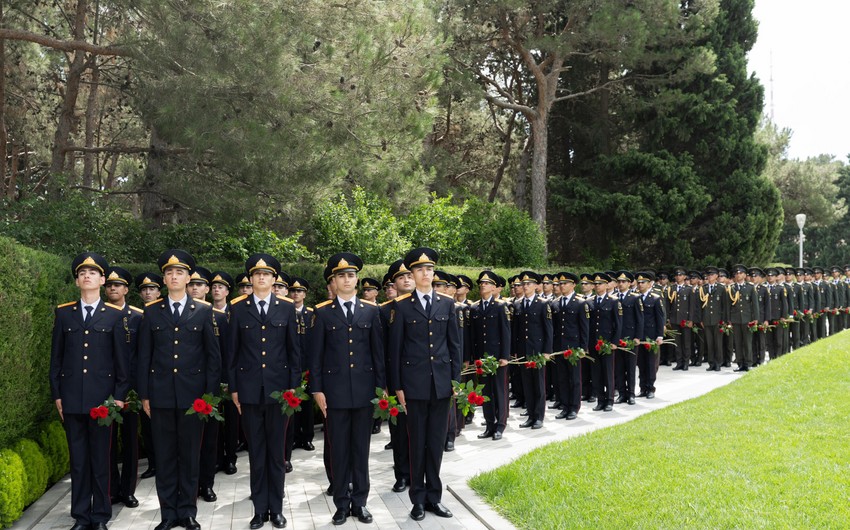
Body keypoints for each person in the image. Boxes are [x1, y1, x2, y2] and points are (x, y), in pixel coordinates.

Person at [138, 250, 221, 530]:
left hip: (193, 398)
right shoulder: (151, 311)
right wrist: (145, 395)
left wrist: (209, 397)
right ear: (164, 278)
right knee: (164, 456)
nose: (174, 277)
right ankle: (168, 514)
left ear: (188, 278)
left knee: (189, 456)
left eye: (180, 273)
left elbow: (213, 357)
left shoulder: (204, 310)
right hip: (160, 396)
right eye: (169, 273)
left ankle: (187, 511)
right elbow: (144, 357)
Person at [50, 252, 129, 530]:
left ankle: (101, 516)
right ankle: (81, 517)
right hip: (71, 399)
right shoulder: (64, 313)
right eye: (82, 273)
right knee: (79, 462)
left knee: (101, 461)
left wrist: (119, 396)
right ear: (77, 281)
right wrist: (57, 395)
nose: (87, 276)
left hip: (103, 400)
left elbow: (122, 362)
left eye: (93, 273)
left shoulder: (114, 316)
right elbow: (56, 359)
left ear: (103, 280)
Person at [310, 253, 384, 525]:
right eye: (341, 275)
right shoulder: (322, 312)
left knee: (360, 450)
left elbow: (378, 354)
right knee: (339, 451)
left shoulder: (371, 311)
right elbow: (315, 356)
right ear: (333, 281)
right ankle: (342, 503)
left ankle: (361, 502)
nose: (346, 279)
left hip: (364, 392)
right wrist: (317, 389)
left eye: (351, 275)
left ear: (357, 280)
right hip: (335, 394)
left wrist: (380, 389)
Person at [388, 247, 461, 521]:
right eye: (419, 269)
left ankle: (435, 498)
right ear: (412, 274)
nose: (425, 273)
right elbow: (395, 351)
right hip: (414, 386)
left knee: (436, 442)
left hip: (441, 384)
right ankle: (417, 499)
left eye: (429, 269)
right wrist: (398, 386)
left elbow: (455, 345)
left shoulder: (446, 304)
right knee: (417, 444)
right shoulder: (401, 306)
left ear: (433, 273)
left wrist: (455, 379)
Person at [228, 254, 300, 530]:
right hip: (248, 391)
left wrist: (292, 384)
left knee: (277, 453)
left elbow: (294, 350)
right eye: (256, 274)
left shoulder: (285, 307)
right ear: (250, 279)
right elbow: (232, 353)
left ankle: (277, 509)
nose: (261, 278)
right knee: (257, 453)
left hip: (279, 391)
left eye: (267, 274)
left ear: (273, 279)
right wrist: (234, 388)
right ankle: (260, 510)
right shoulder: (238, 308)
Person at [186, 266, 228, 504]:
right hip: (186, 386)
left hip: (211, 389)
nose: (195, 288)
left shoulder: (219, 317)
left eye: (200, 285)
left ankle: (207, 484)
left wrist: (221, 384)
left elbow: (223, 354)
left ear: (207, 289)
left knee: (210, 438)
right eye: (192, 284)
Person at [104, 266, 143, 509]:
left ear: (126, 289)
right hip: (104, 387)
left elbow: (142, 354)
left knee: (130, 441)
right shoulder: (99, 313)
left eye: (117, 285)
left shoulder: (138, 316)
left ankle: (128, 490)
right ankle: (111, 489)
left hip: (130, 388)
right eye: (109, 285)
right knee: (106, 442)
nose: (113, 288)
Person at [469, 271, 511, 437]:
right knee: (485, 392)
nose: (483, 285)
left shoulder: (501, 306)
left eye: (487, 283)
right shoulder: (475, 307)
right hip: (482, 358)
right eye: (481, 283)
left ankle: (500, 425)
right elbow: (473, 335)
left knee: (499, 390)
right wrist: (473, 357)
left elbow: (505, 333)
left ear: (494, 287)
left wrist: (505, 356)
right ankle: (489, 424)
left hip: (497, 357)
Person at [513, 271, 553, 429]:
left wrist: (547, 351)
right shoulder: (518, 304)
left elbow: (548, 330)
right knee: (527, 385)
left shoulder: (543, 304)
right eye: (523, 284)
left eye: (528, 284)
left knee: (538, 384)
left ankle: (539, 416)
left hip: (537, 351)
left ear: (536, 286)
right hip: (524, 350)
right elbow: (516, 330)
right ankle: (530, 415)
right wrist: (516, 350)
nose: (525, 286)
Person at [209, 271, 239, 475]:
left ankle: (230, 458)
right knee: (213, 420)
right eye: (214, 287)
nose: (216, 290)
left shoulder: (235, 313)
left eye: (221, 287)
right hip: (212, 376)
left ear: (228, 291)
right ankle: (217, 457)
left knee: (231, 420)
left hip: (230, 375)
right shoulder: (204, 312)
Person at [550, 272, 588, 420]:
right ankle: (565, 406)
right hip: (560, 346)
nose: (562, 286)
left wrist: (583, 348)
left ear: (573, 285)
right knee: (562, 378)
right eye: (560, 284)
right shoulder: (555, 303)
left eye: (565, 283)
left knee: (574, 379)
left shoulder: (580, 302)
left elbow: (584, 327)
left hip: (574, 347)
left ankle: (574, 407)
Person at [135, 272, 162, 480]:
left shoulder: (160, 313)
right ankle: (153, 463)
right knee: (147, 427)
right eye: (144, 290)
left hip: (161, 376)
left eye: (151, 289)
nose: (147, 292)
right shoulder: (136, 315)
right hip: (142, 377)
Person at [589, 272, 622, 412]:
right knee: (596, 373)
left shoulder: (614, 301)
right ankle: (600, 399)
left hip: (608, 343)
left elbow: (618, 324)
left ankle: (609, 400)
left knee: (608, 372)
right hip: (594, 343)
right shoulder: (590, 301)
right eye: (595, 284)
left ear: (606, 285)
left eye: (600, 284)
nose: (597, 286)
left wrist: (615, 342)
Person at [613, 271, 643, 405]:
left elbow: (640, 320)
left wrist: (637, 337)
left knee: (630, 367)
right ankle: (621, 393)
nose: (620, 284)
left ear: (629, 283)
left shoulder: (635, 298)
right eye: (619, 281)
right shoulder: (613, 297)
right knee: (619, 367)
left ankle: (631, 394)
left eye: (623, 281)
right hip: (617, 338)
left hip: (630, 337)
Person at [635, 272, 664, 397]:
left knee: (651, 363)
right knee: (641, 363)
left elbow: (660, 319)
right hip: (639, 336)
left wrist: (660, 335)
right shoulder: (635, 298)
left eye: (643, 282)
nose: (640, 285)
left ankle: (650, 388)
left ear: (649, 284)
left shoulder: (655, 298)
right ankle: (642, 388)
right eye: (639, 282)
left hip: (651, 336)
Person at [728, 264, 759, 372]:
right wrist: (729, 319)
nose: (738, 275)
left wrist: (755, 318)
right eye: (736, 273)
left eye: (740, 273)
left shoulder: (750, 287)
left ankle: (748, 363)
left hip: (747, 318)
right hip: (736, 319)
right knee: (738, 342)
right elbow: (729, 305)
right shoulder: (731, 288)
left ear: (745, 275)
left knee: (747, 342)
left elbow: (755, 304)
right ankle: (740, 363)